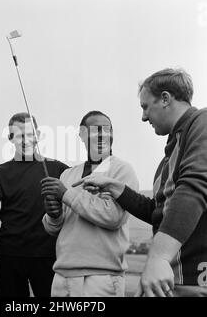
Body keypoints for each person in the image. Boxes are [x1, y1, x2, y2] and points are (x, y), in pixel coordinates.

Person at [77, 68, 207, 297]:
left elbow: (193, 189)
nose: (144, 117)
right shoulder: (167, 160)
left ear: (166, 98)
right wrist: (117, 188)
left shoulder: (202, 122)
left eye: (145, 106)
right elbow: (158, 213)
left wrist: (158, 257)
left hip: (197, 280)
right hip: (170, 281)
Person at [0, 112, 68, 297]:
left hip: (49, 256)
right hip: (10, 256)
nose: (26, 140)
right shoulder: (0, 172)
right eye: (19, 135)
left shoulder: (59, 169)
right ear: (10, 138)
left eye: (30, 134)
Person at [41, 111, 139, 297]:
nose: (103, 135)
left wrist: (66, 194)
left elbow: (113, 217)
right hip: (62, 276)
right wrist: (53, 216)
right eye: (96, 131)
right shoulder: (68, 175)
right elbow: (55, 228)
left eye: (108, 130)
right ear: (82, 135)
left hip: (102, 278)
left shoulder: (122, 170)